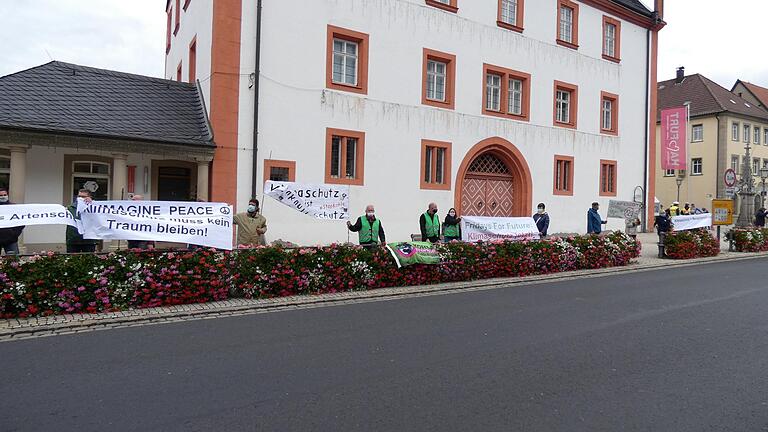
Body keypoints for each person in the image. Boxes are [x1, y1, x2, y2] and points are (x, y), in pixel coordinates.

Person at [66, 189, 98, 253]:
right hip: (73, 240)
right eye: (79, 196)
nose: (80, 198)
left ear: (89, 197)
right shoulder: (70, 208)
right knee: (73, 260)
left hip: (89, 240)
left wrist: (92, 203)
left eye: (83, 197)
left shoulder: (94, 207)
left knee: (89, 260)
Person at [0, 189, 24, 255]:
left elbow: (22, 222)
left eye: (5, 195)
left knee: (14, 261)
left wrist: (14, 234)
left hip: (11, 240)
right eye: (1, 195)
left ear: (7, 195)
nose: (3, 196)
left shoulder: (14, 207)